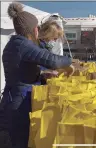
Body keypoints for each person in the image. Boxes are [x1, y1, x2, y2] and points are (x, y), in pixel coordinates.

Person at [0, 2, 75, 148]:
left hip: (12, 97)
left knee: (18, 140)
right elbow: (52, 60)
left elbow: (20, 72)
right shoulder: (23, 45)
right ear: (34, 29)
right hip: (20, 102)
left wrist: (40, 76)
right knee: (21, 141)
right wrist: (70, 62)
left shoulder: (14, 44)